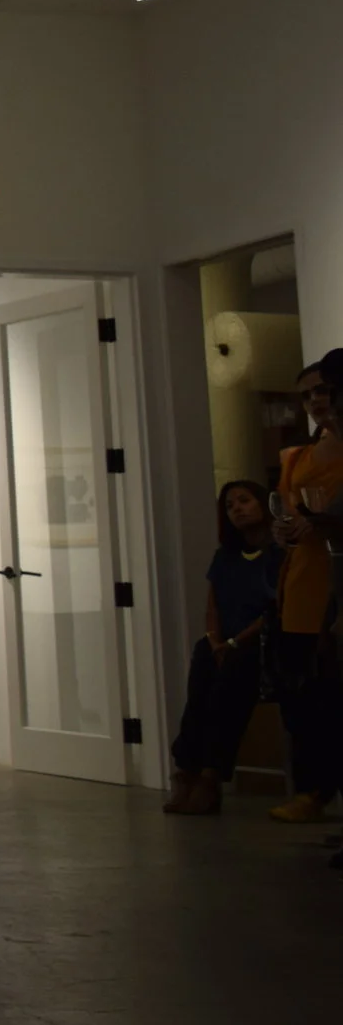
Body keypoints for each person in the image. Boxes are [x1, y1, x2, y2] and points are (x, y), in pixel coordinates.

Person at [164, 481, 283, 814]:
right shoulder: (226, 557)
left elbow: (275, 611)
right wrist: (216, 639)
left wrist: (233, 642)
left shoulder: (279, 553)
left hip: (260, 644)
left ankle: (209, 774)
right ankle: (187, 769)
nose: (237, 509)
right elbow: (212, 606)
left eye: (244, 501)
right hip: (224, 644)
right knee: (203, 667)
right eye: (230, 506)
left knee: (229, 678)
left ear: (263, 504)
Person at [268, 353, 343, 824]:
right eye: (307, 394)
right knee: (303, 698)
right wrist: (284, 530)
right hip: (302, 580)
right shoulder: (297, 456)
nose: (316, 400)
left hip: (335, 577)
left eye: (321, 390)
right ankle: (312, 790)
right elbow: (287, 511)